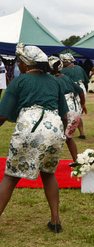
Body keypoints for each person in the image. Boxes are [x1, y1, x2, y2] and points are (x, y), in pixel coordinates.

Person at [0, 43, 69, 233]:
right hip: (54, 129)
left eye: (18, 61)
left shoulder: (19, 81)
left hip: (31, 127)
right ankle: (55, 221)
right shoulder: (54, 81)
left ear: (24, 63)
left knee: (11, 176)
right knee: (48, 173)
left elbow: (3, 115)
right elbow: (64, 115)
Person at [48, 56, 87, 166]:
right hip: (75, 110)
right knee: (68, 137)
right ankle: (76, 160)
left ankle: (50, 162)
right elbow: (80, 91)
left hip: (63, 108)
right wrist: (83, 104)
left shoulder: (51, 80)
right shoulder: (66, 78)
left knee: (54, 136)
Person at [60, 53, 89, 139]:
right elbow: (86, 81)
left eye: (62, 61)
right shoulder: (79, 68)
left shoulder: (63, 70)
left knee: (67, 112)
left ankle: (65, 132)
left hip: (72, 91)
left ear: (66, 62)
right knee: (78, 112)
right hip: (82, 89)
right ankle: (82, 133)